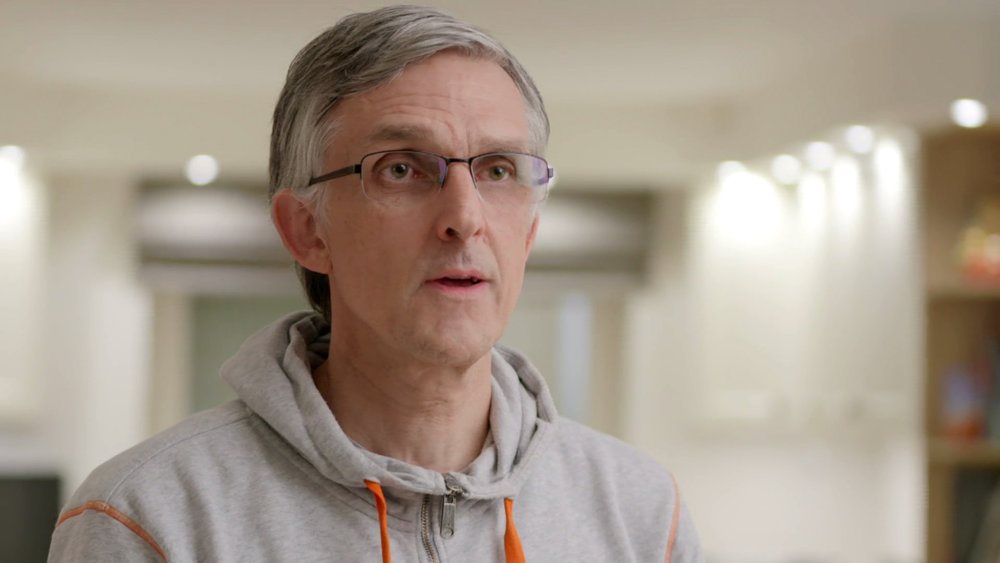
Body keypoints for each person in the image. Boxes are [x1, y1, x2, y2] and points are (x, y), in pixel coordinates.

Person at [48, 5, 701, 562]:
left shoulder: (640, 513)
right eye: (401, 169)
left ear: (528, 233)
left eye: (499, 170)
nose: (465, 217)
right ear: (307, 230)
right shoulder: (151, 518)